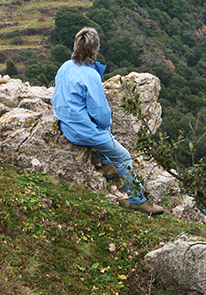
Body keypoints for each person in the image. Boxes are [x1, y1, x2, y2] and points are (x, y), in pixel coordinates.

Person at [52, 27, 164, 216]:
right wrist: (104, 125)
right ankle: (138, 200)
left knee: (101, 127)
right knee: (124, 154)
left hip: (65, 123)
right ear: (95, 51)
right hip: (82, 131)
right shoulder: (90, 75)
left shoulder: (65, 66)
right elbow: (101, 113)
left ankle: (107, 165)